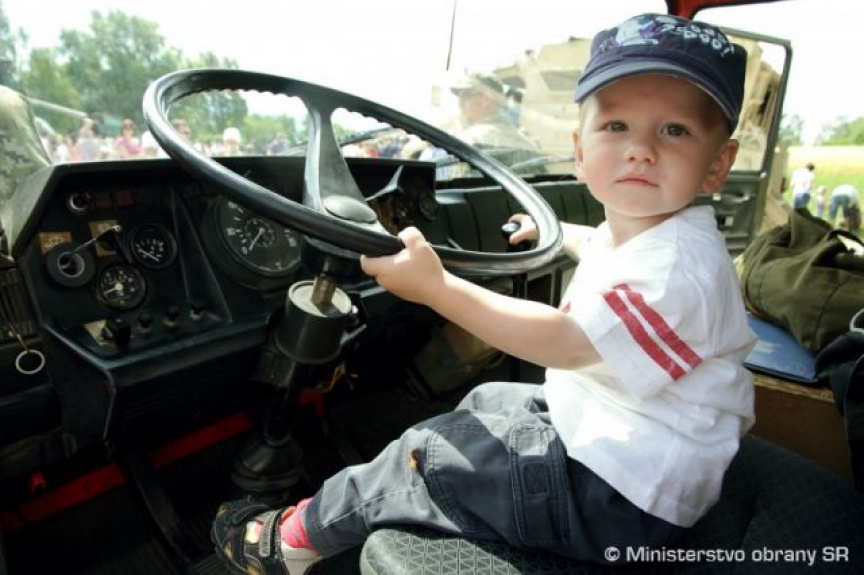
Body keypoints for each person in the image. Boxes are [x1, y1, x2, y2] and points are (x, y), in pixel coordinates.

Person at [211, 13, 755, 574]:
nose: (640, 148)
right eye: (617, 126)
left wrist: (436, 287)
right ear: (579, 149)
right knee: (491, 398)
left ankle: (287, 545)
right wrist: (556, 232)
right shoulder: (655, 236)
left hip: (618, 497)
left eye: (674, 131)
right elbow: (603, 245)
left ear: (718, 164)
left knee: (425, 454)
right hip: (621, 444)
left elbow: (564, 342)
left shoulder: (678, 269)